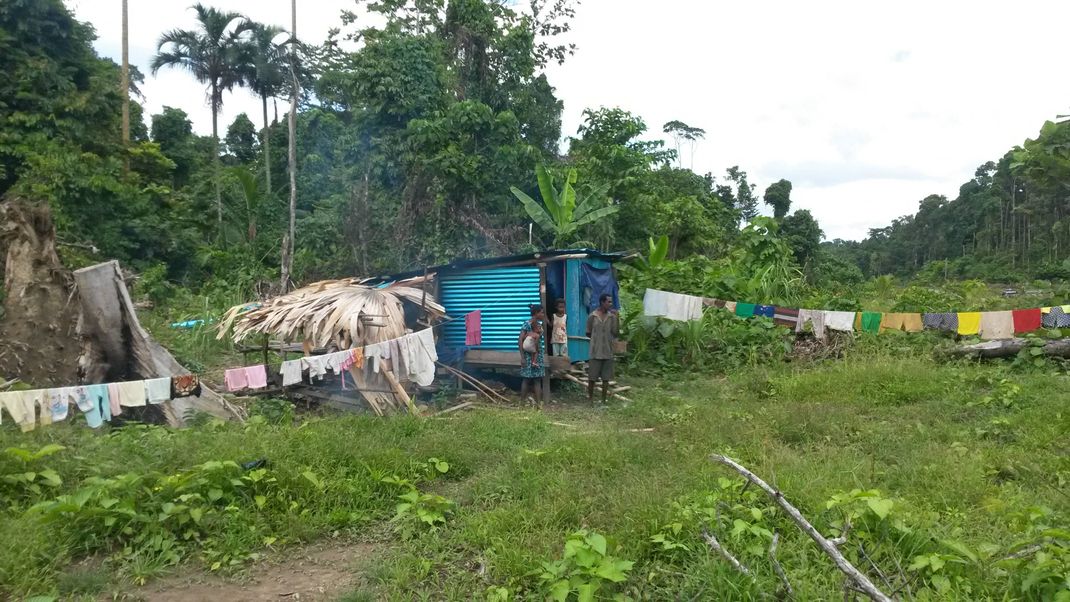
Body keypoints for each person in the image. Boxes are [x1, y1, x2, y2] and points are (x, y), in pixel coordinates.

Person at [586, 293, 619, 403]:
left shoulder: (612, 317)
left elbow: (615, 333)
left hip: (608, 351)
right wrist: (596, 340)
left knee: (606, 378)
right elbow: (588, 332)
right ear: (602, 302)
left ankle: (603, 400)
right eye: (608, 302)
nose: (610, 304)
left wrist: (617, 318)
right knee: (592, 378)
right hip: (595, 352)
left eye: (611, 302)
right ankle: (590, 399)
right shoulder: (593, 316)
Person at [518, 304, 547, 403]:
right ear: (536, 313)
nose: (543, 314)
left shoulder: (539, 325)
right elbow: (520, 340)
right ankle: (522, 402)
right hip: (528, 356)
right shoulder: (527, 324)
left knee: (537, 380)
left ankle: (539, 404)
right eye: (542, 312)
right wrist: (522, 357)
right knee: (526, 379)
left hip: (537, 356)